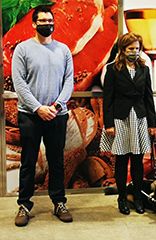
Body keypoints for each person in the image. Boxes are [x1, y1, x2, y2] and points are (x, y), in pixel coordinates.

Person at [12, 6, 74, 226]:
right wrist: (38, 108)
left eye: (50, 20)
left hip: (57, 114)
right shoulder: (22, 49)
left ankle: (58, 202)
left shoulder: (64, 50)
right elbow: (19, 83)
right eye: (43, 20)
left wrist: (56, 106)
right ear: (34, 24)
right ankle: (24, 205)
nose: (47, 24)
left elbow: (69, 81)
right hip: (30, 114)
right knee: (28, 161)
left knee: (56, 160)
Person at [102, 32, 156, 215]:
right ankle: (122, 198)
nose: (135, 52)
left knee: (138, 161)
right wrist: (108, 124)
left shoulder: (144, 69)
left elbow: (148, 97)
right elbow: (107, 99)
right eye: (131, 48)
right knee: (121, 160)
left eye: (137, 48)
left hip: (140, 118)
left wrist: (152, 122)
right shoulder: (112, 69)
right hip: (120, 119)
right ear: (123, 50)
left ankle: (139, 198)